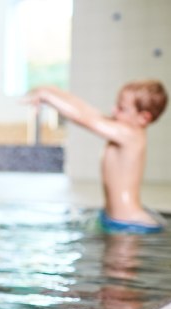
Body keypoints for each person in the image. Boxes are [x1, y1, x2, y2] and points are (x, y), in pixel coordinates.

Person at [24, 79, 168, 233]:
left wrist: (48, 97)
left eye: (121, 108)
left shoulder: (131, 135)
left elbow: (85, 119)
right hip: (116, 219)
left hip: (129, 223)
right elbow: (87, 110)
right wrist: (53, 90)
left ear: (143, 118)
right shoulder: (123, 129)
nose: (114, 110)